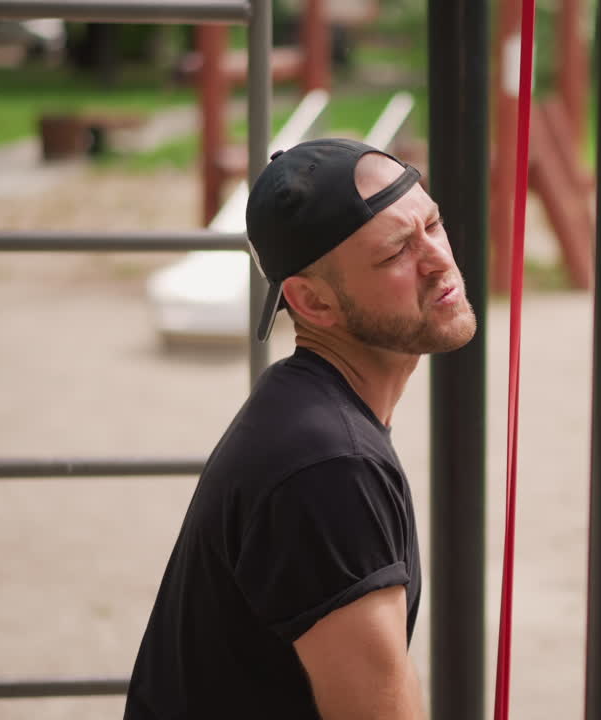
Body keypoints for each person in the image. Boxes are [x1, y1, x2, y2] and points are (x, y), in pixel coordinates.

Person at [124, 138, 476, 719]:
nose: (438, 258)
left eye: (432, 224)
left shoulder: (309, 411)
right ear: (312, 303)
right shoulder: (329, 468)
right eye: (395, 254)